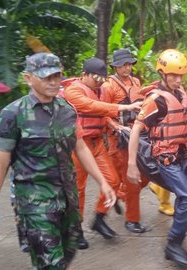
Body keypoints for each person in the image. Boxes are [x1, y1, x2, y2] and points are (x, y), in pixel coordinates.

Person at [0, 53, 117, 269]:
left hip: (68, 199)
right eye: (46, 77)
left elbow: (80, 147)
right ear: (28, 78)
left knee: (69, 252)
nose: (53, 82)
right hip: (36, 203)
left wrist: (102, 181)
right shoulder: (13, 115)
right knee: (51, 263)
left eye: (57, 76)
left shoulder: (67, 110)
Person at [127, 49, 187, 268]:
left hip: (182, 153)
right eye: (173, 76)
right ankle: (172, 245)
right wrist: (132, 164)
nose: (177, 80)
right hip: (165, 157)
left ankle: (176, 244)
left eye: (180, 76)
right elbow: (135, 130)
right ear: (162, 73)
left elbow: (185, 114)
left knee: (184, 198)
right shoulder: (156, 100)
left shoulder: (180, 94)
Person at [63, 57, 144, 246]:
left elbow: (103, 114)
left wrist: (115, 126)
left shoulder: (102, 90)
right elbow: (90, 106)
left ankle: (99, 217)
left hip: (97, 142)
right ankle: (76, 229)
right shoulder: (73, 91)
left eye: (101, 79)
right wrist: (123, 107)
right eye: (95, 79)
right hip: (77, 144)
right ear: (84, 75)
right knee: (78, 188)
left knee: (113, 180)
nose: (99, 83)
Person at [100, 49, 158, 219]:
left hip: (136, 135)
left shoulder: (136, 82)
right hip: (117, 139)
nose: (127, 68)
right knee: (122, 178)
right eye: (123, 65)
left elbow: (140, 102)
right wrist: (116, 127)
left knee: (143, 175)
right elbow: (103, 112)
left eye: (129, 64)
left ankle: (120, 195)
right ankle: (131, 218)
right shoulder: (107, 86)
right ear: (115, 67)